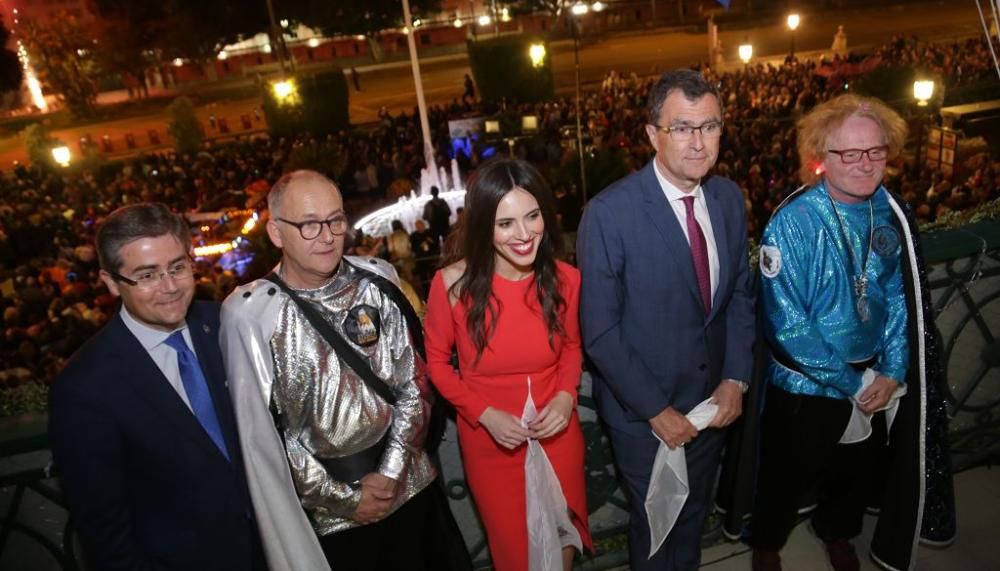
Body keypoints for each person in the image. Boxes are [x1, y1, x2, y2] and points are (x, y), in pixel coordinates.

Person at [749, 94, 956, 571]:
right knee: (785, 477)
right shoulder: (792, 222)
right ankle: (766, 544)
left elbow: (901, 299)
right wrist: (851, 382)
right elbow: (787, 323)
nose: (864, 164)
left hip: (874, 377)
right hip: (806, 385)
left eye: (875, 151)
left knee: (853, 474)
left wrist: (892, 369)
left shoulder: (890, 212)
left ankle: (836, 532)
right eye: (849, 153)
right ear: (821, 156)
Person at [220, 169, 450, 571]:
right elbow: (266, 436)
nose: (327, 235)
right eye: (308, 225)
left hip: (412, 486)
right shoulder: (253, 314)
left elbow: (414, 382)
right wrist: (346, 499)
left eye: (335, 220)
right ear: (276, 232)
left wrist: (392, 471)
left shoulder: (378, 281)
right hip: (333, 520)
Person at [576, 69, 755, 570]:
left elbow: (740, 294)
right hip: (644, 420)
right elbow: (601, 331)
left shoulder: (727, 200)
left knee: (693, 518)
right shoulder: (609, 214)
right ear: (653, 135)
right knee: (657, 528)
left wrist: (735, 379)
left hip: (712, 408)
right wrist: (657, 410)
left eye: (710, 126)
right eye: (682, 128)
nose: (698, 142)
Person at [48, 202, 265, 571]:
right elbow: (107, 536)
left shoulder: (226, 324)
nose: (169, 287)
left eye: (178, 267)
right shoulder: (84, 388)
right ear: (112, 283)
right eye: (147, 275)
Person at [424, 158, 592, 571]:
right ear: (484, 226)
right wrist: (483, 415)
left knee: (562, 538)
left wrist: (566, 399)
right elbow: (437, 365)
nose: (524, 234)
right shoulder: (451, 285)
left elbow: (572, 347)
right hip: (491, 442)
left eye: (532, 216)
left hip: (557, 434)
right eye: (506, 224)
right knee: (516, 554)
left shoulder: (566, 278)